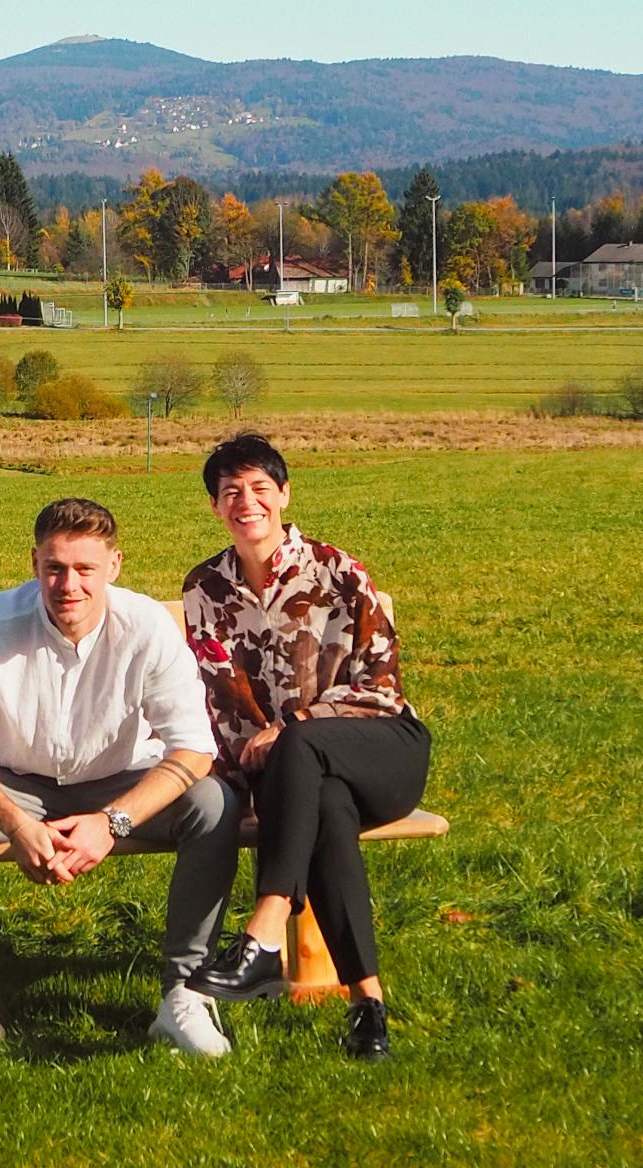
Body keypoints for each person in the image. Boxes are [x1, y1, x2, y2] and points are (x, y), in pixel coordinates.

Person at [0, 498, 241, 1062]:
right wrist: (16, 824)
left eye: (85, 569)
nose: (69, 585)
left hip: (121, 781)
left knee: (213, 804)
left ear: (114, 565)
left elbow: (193, 749)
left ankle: (184, 995)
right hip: (17, 781)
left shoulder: (148, 627)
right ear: (34, 563)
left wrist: (112, 823)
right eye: (55, 568)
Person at [181, 433, 430, 1060]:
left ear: (285, 494)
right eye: (231, 492)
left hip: (382, 751)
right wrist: (251, 778)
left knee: (300, 746)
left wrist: (293, 723)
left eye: (260, 488)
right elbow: (221, 699)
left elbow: (379, 685)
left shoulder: (338, 571)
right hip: (295, 777)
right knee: (325, 810)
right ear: (215, 506)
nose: (246, 502)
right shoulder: (204, 588)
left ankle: (264, 932)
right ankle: (368, 1007)